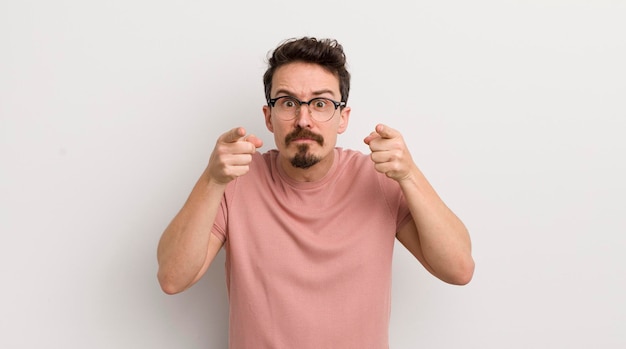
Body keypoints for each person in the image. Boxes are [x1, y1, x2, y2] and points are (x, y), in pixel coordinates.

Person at [157, 37, 474, 349]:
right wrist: (212, 180)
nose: (303, 120)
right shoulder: (235, 181)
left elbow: (458, 269)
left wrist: (409, 174)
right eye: (288, 103)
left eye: (320, 103)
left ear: (342, 118)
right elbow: (172, 278)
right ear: (269, 117)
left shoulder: (378, 178)